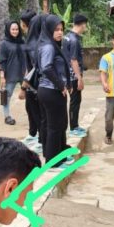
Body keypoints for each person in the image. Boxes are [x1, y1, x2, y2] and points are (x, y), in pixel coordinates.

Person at [37, 14, 72, 165]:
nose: (60, 32)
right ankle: (52, 160)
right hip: (51, 90)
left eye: (61, 29)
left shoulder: (52, 45)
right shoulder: (49, 47)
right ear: (49, 30)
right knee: (54, 125)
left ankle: (60, 153)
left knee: (61, 123)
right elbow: (46, 68)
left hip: (53, 90)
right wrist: (61, 85)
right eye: (56, 29)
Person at [21, 11, 45, 152]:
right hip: (34, 84)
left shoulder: (35, 44)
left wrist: (24, 85)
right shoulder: (31, 42)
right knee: (32, 111)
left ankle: (42, 140)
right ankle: (35, 135)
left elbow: (34, 68)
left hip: (36, 85)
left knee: (40, 114)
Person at [63, 13, 88, 138]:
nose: (85, 27)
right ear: (82, 24)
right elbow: (73, 60)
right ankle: (73, 127)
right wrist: (79, 78)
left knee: (73, 101)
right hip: (73, 76)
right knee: (75, 101)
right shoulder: (74, 40)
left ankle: (74, 125)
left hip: (66, 74)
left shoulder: (66, 37)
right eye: (85, 25)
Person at [0, 20, 26, 126]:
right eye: (13, 29)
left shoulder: (22, 41)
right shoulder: (4, 43)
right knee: (7, 96)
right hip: (11, 74)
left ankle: (34, 115)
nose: (15, 31)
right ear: (9, 30)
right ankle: (7, 116)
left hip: (24, 73)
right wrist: (2, 76)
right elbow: (2, 61)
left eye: (17, 29)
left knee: (31, 94)